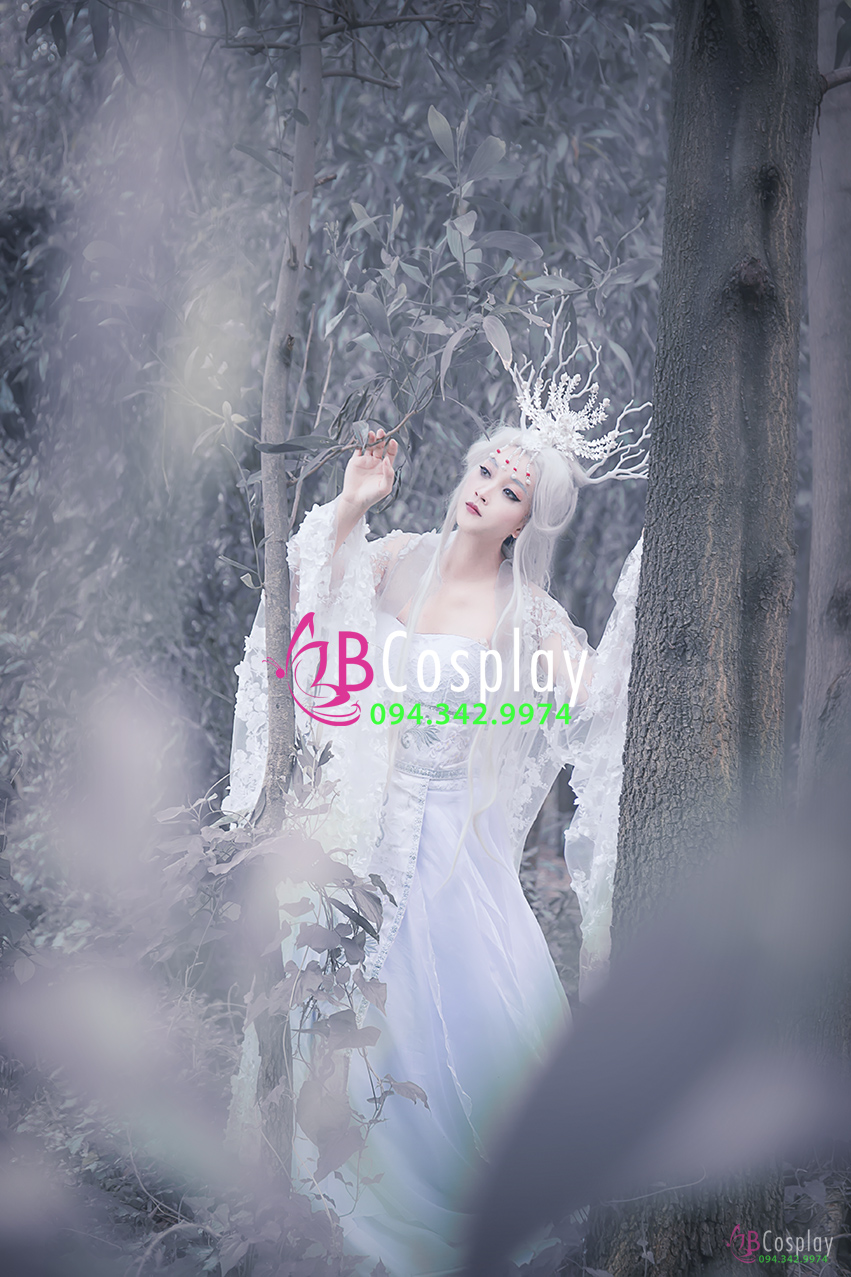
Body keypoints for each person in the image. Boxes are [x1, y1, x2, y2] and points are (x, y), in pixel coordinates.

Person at [224, 353, 646, 1276]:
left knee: (462, 1016)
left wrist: (635, 602)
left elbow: (596, 698)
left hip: (456, 845)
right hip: (364, 823)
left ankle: (482, 1198)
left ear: (523, 523)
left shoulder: (526, 615)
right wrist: (351, 503)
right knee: (336, 993)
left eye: (510, 491)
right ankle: (325, 1196)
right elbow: (310, 604)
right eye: (486, 469)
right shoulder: (395, 556)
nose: (486, 488)